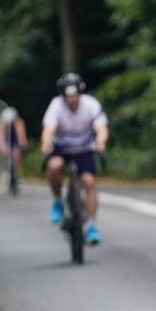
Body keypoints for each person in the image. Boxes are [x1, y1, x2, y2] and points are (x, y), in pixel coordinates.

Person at [40, 73, 109, 245]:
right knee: (54, 166)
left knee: (89, 182)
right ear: (62, 96)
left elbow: (101, 127)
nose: (71, 100)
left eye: (74, 95)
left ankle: (91, 226)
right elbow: (49, 128)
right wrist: (47, 142)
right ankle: (57, 201)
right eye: (67, 96)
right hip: (61, 146)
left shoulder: (91, 104)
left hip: (84, 147)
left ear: (80, 93)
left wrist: (101, 141)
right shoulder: (56, 105)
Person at [0, 106, 27, 187]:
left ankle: (18, 174)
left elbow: (21, 137)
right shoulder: (1, 123)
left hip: (15, 139)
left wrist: (21, 145)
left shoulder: (18, 122)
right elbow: (0, 138)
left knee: (17, 155)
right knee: (2, 153)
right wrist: (3, 147)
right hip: (6, 140)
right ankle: (4, 170)